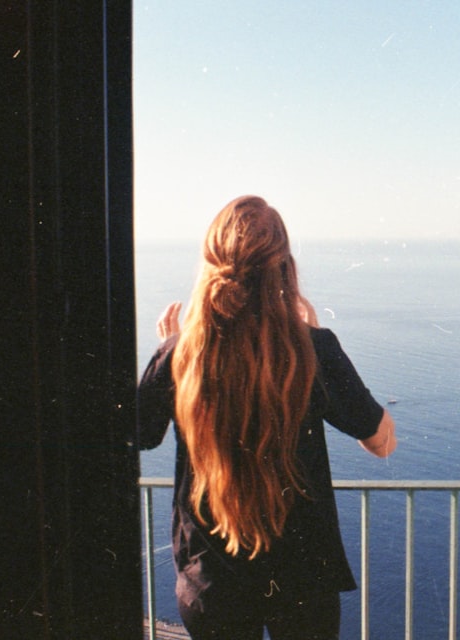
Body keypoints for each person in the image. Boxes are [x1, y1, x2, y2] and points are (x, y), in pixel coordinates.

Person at [137, 195, 396, 640]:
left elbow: (140, 435)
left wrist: (169, 352)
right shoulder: (313, 349)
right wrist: (313, 338)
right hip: (302, 580)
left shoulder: (180, 353)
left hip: (211, 580)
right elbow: (382, 442)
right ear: (284, 268)